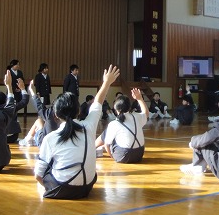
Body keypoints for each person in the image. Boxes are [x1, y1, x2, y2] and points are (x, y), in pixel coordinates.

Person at [34, 64, 119, 199]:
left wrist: (47, 186)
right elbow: (98, 102)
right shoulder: (89, 126)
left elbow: (38, 176)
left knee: (48, 167)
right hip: (87, 187)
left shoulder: (50, 138)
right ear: (78, 111)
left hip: (62, 188)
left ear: (55, 115)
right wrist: (107, 82)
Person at [96, 88, 149, 163]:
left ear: (115, 108)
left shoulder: (114, 123)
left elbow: (107, 145)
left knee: (107, 133)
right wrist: (139, 98)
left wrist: (113, 157)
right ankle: (97, 147)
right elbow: (146, 113)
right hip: (139, 155)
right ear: (129, 107)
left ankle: (93, 147)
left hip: (124, 156)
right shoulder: (137, 116)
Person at [19, 80, 61, 147]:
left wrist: (32, 91)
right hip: (61, 143)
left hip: (45, 143)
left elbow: (39, 106)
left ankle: (27, 139)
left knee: (39, 121)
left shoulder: (51, 113)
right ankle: (29, 139)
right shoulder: (70, 115)